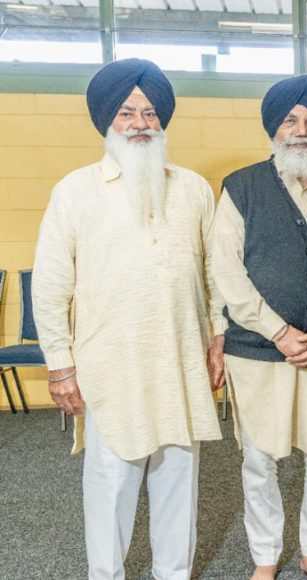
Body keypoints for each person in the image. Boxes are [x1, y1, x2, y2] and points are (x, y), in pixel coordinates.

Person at [33, 58, 222, 579]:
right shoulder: (75, 190)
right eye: (126, 112)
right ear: (106, 120)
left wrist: (218, 339)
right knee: (111, 486)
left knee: (178, 486)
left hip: (182, 364)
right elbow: (50, 287)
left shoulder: (193, 188)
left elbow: (213, 275)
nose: (140, 122)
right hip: (110, 368)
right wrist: (60, 365)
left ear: (163, 120)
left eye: (150, 112)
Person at [209, 74, 307, 580]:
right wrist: (277, 331)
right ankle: (265, 557)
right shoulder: (241, 188)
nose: (302, 130)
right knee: (261, 460)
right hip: (257, 354)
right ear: (273, 130)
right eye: (291, 121)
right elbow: (225, 269)